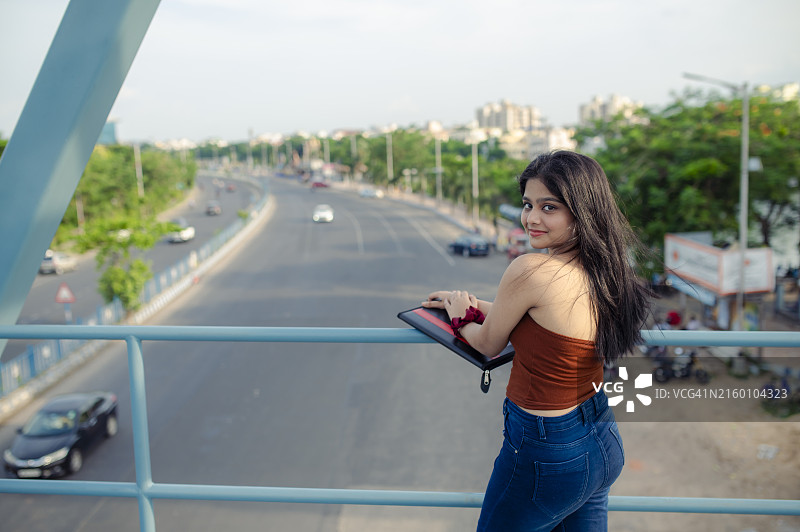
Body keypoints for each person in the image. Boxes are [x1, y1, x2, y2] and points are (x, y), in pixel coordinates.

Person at [423, 150, 652, 531]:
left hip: (548, 449)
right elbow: (544, 320)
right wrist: (472, 304)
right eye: (528, 205)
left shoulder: (530, 269)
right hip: (600, 436)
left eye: (549, 207)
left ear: (582, 211)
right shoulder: (605, 270)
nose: (531, 218)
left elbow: (485, 344)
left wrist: (462, 316)